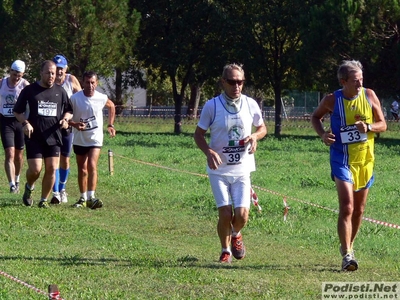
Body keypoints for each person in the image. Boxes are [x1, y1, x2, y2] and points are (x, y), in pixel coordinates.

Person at [311, 60, 387, 271]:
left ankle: (349, 246)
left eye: (362, 79)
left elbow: (383, 124)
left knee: (359, 210)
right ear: (343, 82)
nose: (360, 84)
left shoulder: (369, 95)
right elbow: (315, 117)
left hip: (365, 160)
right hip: (341, 159)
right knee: (347, 206)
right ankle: (347, 255)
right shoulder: (331, 100)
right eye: (355, 81)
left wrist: (369, 126)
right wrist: (323, 134)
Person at [194, 63, 267, 263]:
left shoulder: (250, 104)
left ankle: (235, 234)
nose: (237, 86)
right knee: (225, 213)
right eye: (233, 82)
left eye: (240, 82)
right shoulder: (212, 106)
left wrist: (255, 136)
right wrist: (208, 152)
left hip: (242, 168)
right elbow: (198, 135)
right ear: (223, 82)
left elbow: (262, 128)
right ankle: (225, 250)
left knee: (242, 215)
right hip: (219, 170)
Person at [13, 60, 73, 208]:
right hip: (34, 137)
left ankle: (43, 200)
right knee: (35, 170)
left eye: (53, 73)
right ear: (41, 73)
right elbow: (17, 111)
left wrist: (65, 119)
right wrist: (25, 123)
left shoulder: (60, 91)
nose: (51, 76)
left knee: (52, 168)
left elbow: (69, 110)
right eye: (48, 73)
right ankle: (29, 187)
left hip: (54, 136)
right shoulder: (30, 90)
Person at [68, 71, 116, 209]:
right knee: (82, 169)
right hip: (79, 138)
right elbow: (66, 117)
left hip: (95, 138)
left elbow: (111, 106)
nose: (90, 85)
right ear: (82, 83)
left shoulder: (101, 97)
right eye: (87, 82)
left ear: (97, 83)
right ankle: (82, 198)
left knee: (92, 165)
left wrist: (110, 124)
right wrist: (75, 124)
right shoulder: (75, 98)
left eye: (93, 82)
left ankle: (91, 197)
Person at [50, 54, 82, 204]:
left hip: (68, 126)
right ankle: (55, 192)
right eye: (56, 68)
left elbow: (81, 98)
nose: (59, 71)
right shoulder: (48, 81)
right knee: (54, 159)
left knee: (65, 159)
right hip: (51, 127)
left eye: (61, 68)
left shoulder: (71, 80)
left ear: (66, 69)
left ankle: (62, 188)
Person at [0, 60, 30, 193]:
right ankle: (12, 184)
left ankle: (17, 180)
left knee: (19, 155)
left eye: (19, 75)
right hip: (5, 121)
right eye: (14, 74)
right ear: (10, 71)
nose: (16, 77)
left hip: (20, 121)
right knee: (9, 153)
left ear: (23, 74)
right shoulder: (2, 83)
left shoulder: (25, 85)